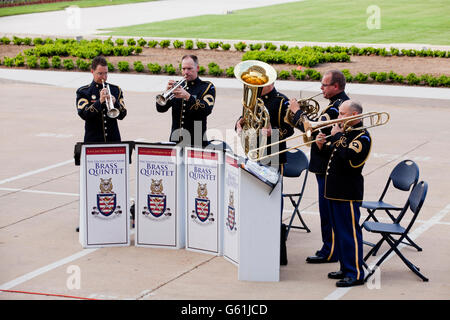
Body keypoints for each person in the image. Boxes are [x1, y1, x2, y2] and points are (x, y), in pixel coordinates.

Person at [287, 70, 349, 264]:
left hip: (327, 166)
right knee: (327, 209)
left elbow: (312, 128)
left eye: (324, 85)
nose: (320, 88)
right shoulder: (335, 104)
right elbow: (312, 131)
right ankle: (330, 247)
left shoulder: (335, 108)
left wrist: (297, 111)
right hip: (325, 165)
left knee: (327, 210)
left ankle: (330, 250)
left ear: (336, 86)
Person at [235, 82, 294, 265]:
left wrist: (272, 132)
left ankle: (273, 235)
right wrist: (239, 123)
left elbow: (290, 128)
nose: (256, 86)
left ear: (271, 82)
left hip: (273, 155)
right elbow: (246, 118)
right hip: (253, 152)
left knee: (273, 196)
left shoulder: (282, 101)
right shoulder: (253, 99)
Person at [315, 100, 371, 287]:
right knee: (339, 232)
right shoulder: (345, 134)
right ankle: (345, 267)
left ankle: (355, 273)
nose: (338, 117)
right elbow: (332, 155)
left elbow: (350, 160)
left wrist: (337, 138)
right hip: (333, 191)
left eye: (342, 114)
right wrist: (322, 145)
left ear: (354, 115)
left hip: (347, 192)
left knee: (349, 234)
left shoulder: (363, 137)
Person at [156, 54, 215, 147]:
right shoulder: (177, 87)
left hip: (196, 142)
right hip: (175, 141)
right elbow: (160, 109)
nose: (186, 72)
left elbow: (206, 110)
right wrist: (166, 93)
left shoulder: (206, 87)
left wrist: (188, 97)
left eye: (189, 69)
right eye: (183, 69)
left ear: (197, 68)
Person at [76, 55, 127, 142]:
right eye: (100, 73)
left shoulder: (115, 90)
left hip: (113, 140)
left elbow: (122, 115)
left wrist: (115, 103)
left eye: (106, 73)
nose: (104, 77)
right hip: (93, 141)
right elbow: (84, 114)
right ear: (92, 71)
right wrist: (99, 101)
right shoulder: (83, 92)